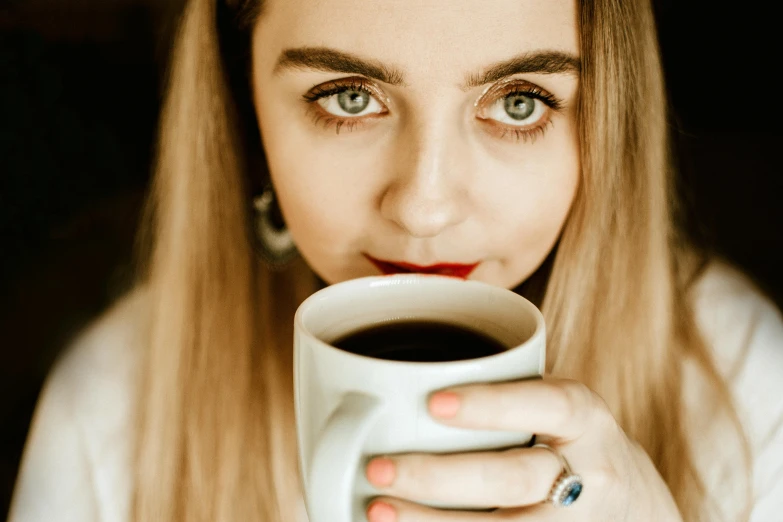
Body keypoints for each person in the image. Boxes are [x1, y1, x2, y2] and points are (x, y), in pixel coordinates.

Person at [8, 0, 783, 520]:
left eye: (519, 100)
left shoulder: (748, 386)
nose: (425, 205)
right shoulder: (112, 406)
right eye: (347, 96)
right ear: (244, 116)